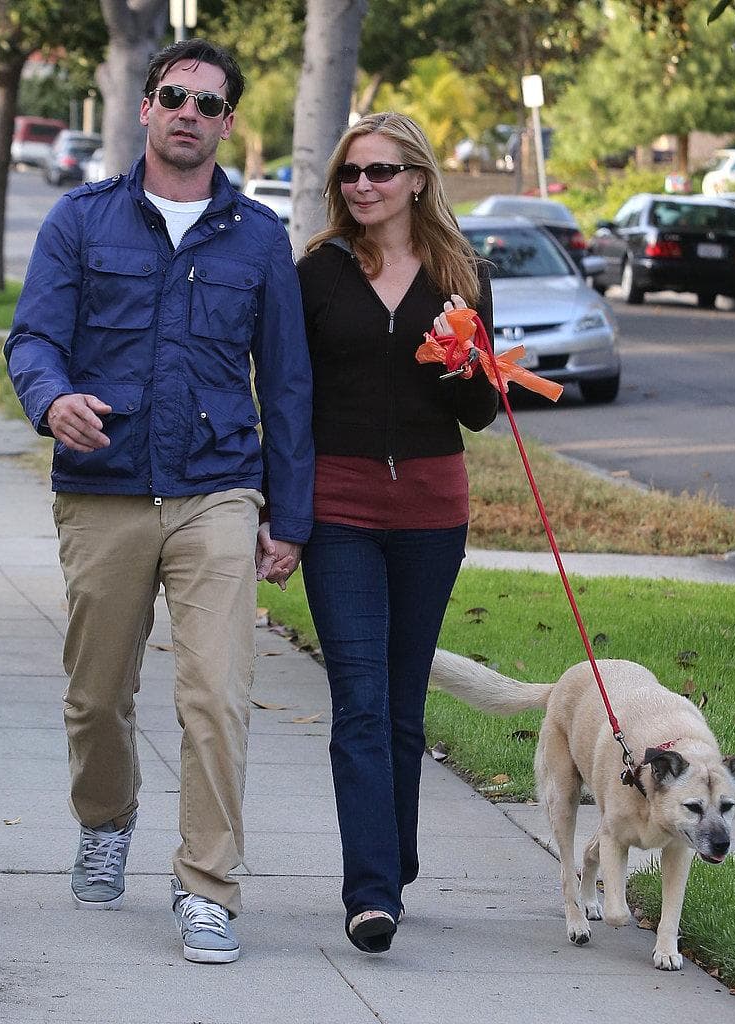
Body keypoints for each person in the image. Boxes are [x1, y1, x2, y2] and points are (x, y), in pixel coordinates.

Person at [4, 38, 313, 964]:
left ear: (228, 123)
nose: (189, 113)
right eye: (175, 96)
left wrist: (289, 516)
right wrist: (52, 400)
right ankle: (107, 818)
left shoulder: (258, 237)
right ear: (146, 107)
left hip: (218, 487)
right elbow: (32, 338)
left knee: (216, 696)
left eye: (209, 104)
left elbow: (286, 383)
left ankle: (207, 885)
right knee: (96, 696)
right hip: (103, 489)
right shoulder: (80, 220)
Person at [296, 112, 499, 954]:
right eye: (350, 173)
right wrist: (280, 511)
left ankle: (395, 861)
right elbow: (290, 395)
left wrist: (461, 361)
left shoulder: (461, 275)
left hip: (429, 512)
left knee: (403, 706)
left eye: (379, 171)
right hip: (338, 510)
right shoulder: (317, 273)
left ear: (417, 179)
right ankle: (371, 893)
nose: (362, 186)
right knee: (361, 701)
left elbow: (482, 412)